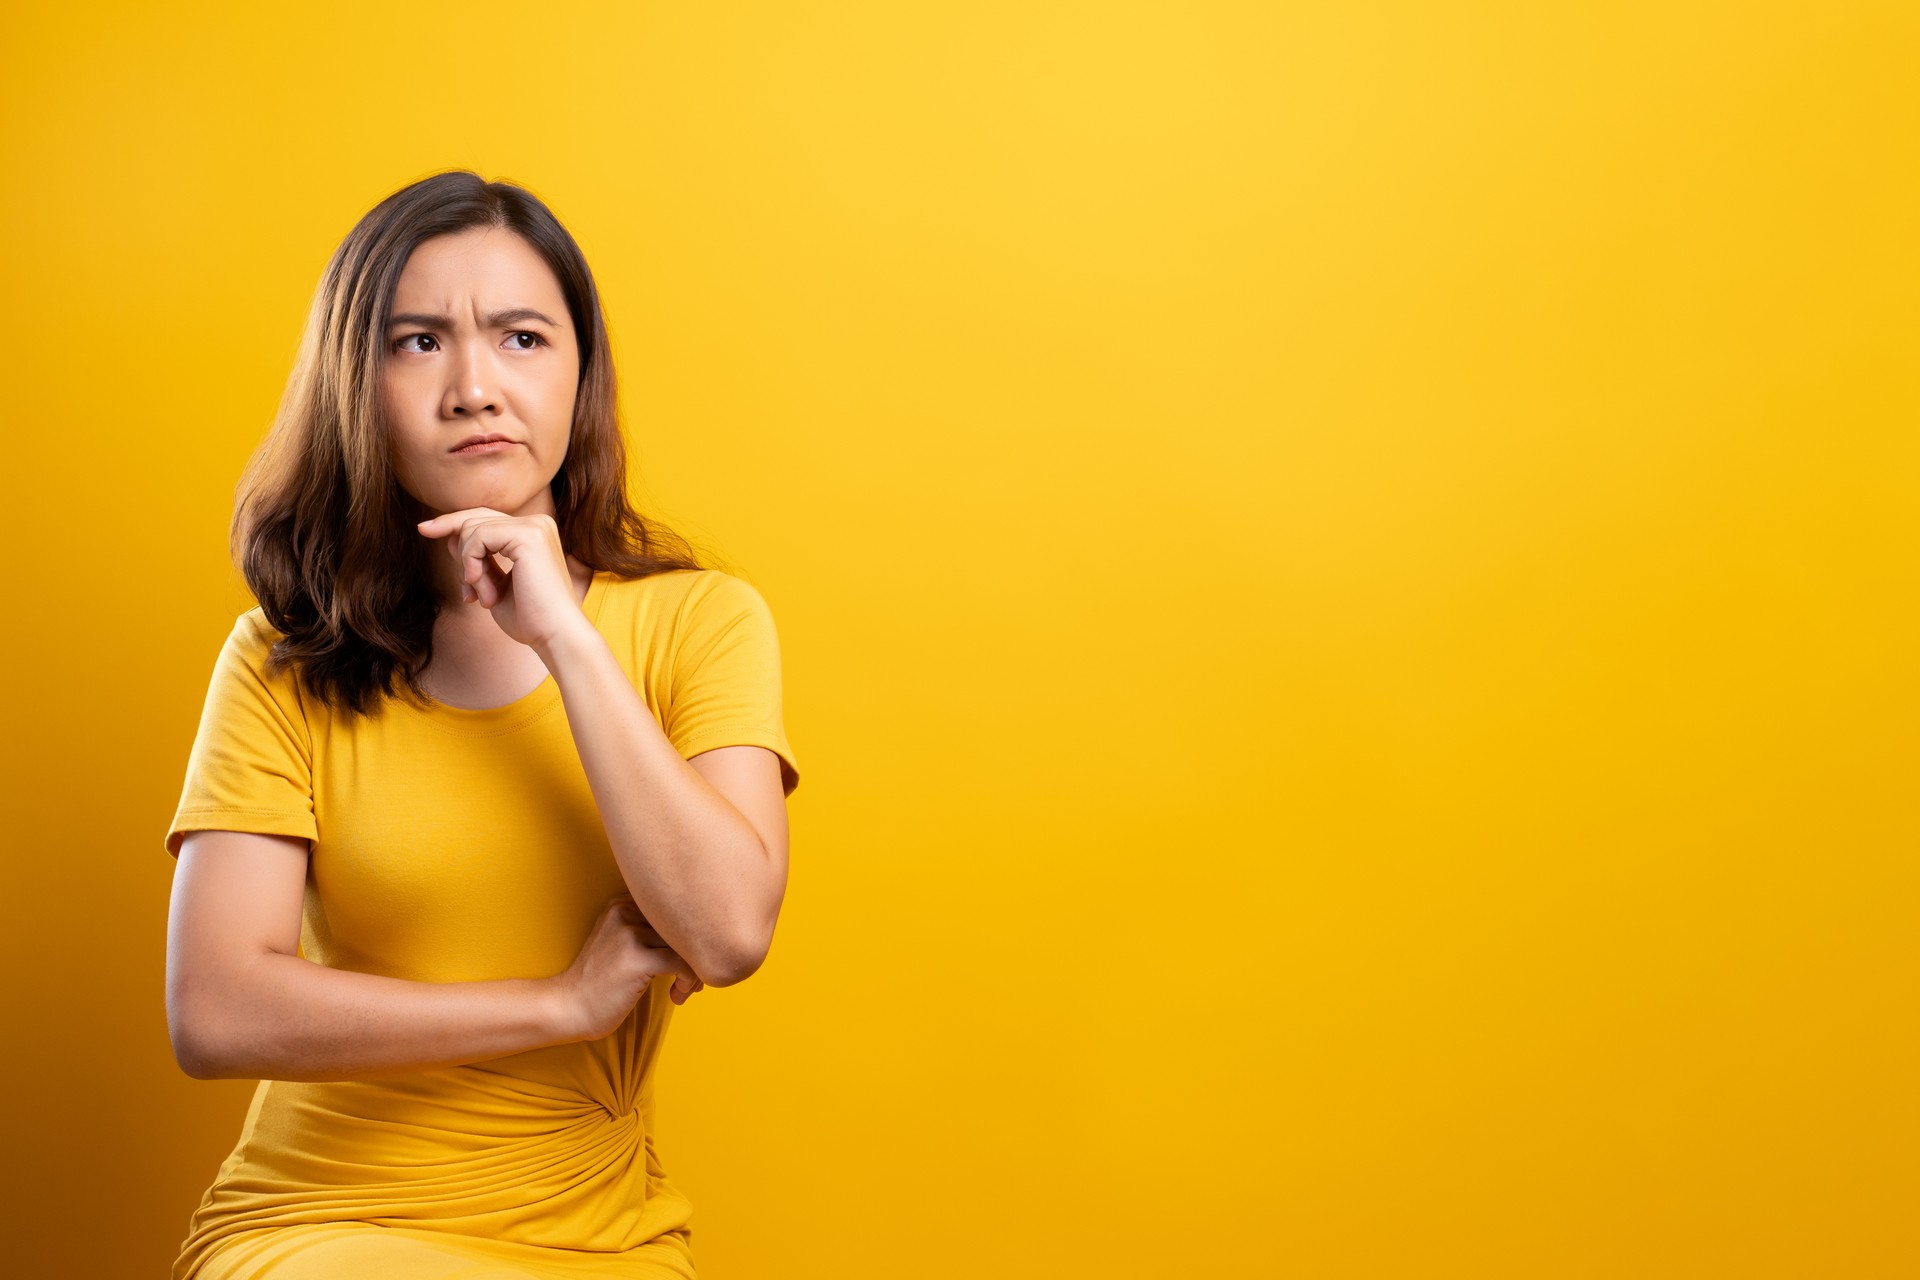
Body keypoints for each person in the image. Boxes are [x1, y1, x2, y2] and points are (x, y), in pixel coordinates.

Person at [162, 170, 800, 1280]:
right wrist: (555, 1003)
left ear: (579, 375)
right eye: (417, 342)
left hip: (599, 1237)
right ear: (354, 386)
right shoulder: (281, 657)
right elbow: (215, 1006)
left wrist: (566, 639)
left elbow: (730, 929)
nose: (475, 387)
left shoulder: (700, 622)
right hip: (321, 1222)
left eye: (520, 337)